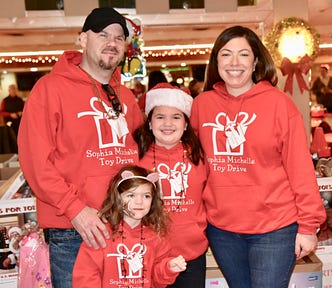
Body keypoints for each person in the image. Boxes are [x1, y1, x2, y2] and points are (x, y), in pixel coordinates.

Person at [190, 25, 326, 288]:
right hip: (222, 229)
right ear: (216, 62)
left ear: (255, 62)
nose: (234, 62)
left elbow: (300, 169)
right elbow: (194, 166)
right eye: (226, 54)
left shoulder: (279, 104)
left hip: (274, 229)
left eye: (243, 54)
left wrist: (308, 226)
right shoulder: (202, 105)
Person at [17, 7, 143, 288]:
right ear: (83, 40)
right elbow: (36, 162)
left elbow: (137, 155)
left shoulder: (126, 97)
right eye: (103, 35)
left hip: (124, 227)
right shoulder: (49, 89)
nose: (111, 42)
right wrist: (75, 209)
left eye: (119, 37)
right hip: (74, 230)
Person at [134, 83, 208, 288]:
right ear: (149, 123)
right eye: (160, 117)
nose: (168, 123)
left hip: (191, 255)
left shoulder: (199, 157)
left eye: (176, 117)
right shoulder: (136, 159)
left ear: (186, 124)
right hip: (149, 256)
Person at [73, 165, 187, 287]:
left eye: (146, 196)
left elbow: (156, 280)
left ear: (153, 200)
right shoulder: (100, 234)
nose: (139, 201)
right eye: (131, 195)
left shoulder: (157, 236)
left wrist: (168, 268)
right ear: (118, 198)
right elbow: (86, 276)